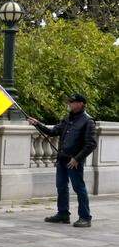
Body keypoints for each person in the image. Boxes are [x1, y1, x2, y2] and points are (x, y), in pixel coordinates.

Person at [29, 93, 97, 227]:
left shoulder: (88, 121)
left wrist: (77, 159)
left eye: (72, 102)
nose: (69, 104)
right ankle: (63, 214)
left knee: (79, 188)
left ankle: (85, 217)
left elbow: (91, 144)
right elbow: (52, 131)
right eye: (69, 102)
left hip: (74, 161)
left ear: (81, 104)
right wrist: (37, 124)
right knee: (61, 186)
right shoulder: (67, 119)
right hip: (62, 159)